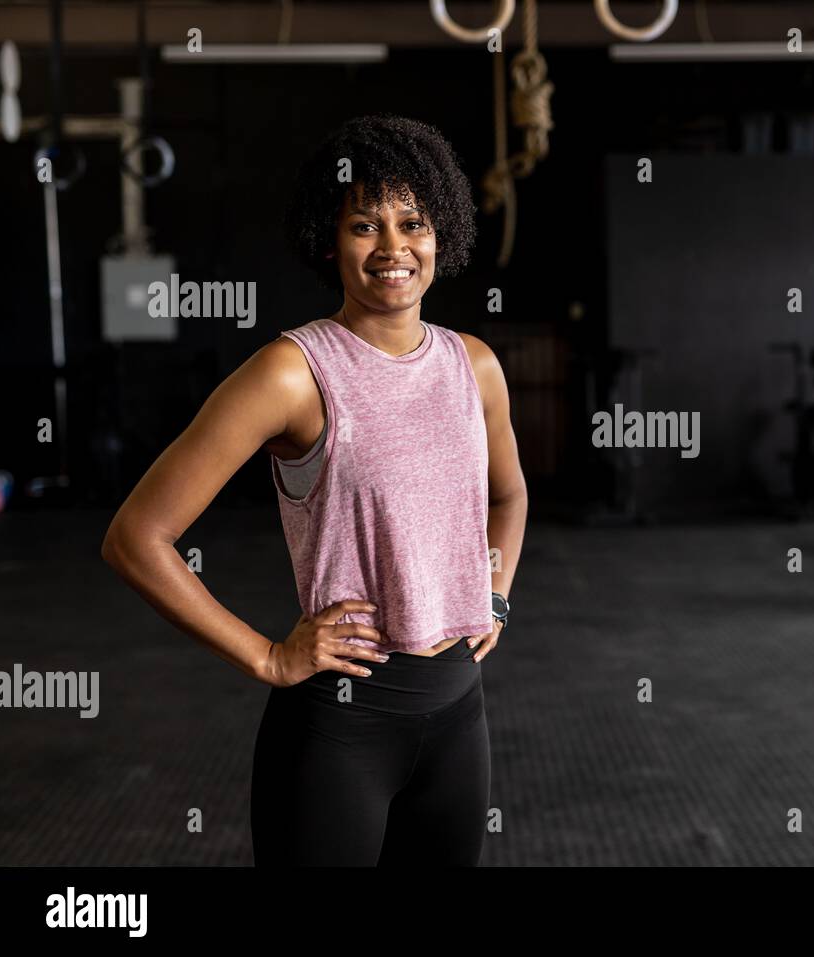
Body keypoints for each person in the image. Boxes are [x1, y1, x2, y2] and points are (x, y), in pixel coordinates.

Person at [101, 114, 528, 866]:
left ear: (442, 235)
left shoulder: (475, 365)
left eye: (413, 223)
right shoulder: (293, 372)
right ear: (329, 241)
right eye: (365, 224)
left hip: (460, 714)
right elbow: (137, 536)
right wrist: (267, 657)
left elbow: (509, 496)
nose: (394, 247)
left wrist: (492, 592)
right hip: (341, 727)